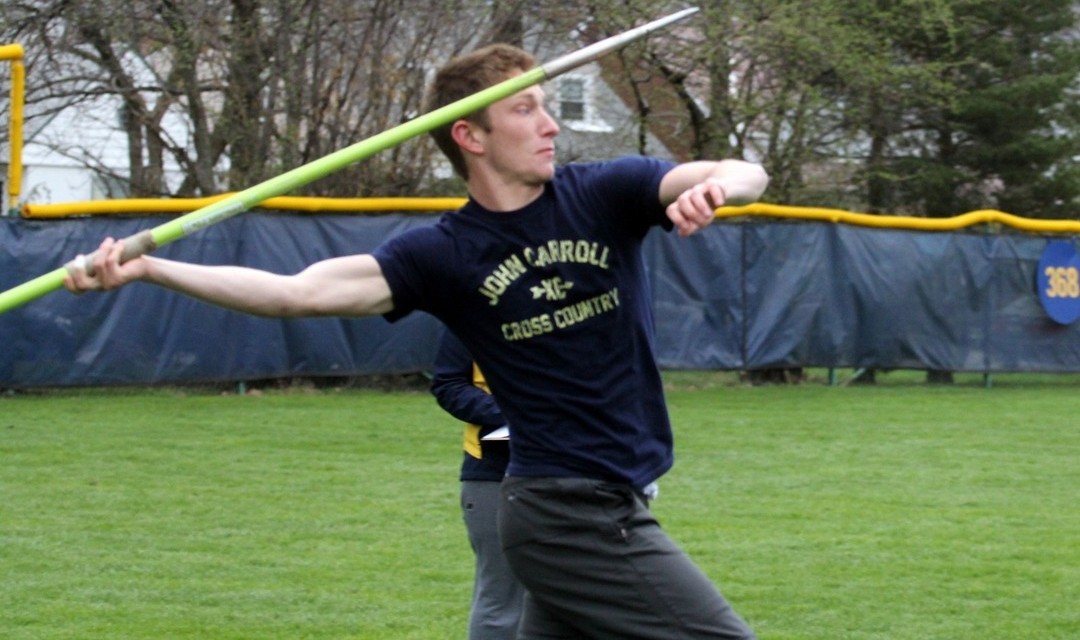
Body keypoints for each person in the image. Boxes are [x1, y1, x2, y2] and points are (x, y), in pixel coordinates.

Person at [65, 43, 768, 639]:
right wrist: (150, 266)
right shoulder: (443, 254)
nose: (550, 125)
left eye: (547, 106)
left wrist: (716, 190)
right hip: (568, 512)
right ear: (470, 135)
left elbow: (740, 170)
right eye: (525, 109)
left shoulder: (605, 193)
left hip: (609, 496)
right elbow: (295, 292)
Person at [430, 330, 524, 640]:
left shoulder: (584, 306)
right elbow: (449, 384)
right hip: (495, 472)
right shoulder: (470, 307)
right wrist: (517, 415)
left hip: (576, 468)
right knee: (502, 602)